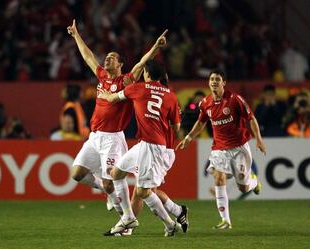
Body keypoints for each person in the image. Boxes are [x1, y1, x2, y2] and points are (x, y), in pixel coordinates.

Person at [67, 19, 168, 216]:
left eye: (112, 58)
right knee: (77, 174)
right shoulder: (102, 77)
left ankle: (126, 217)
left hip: (112, 138)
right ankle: (108, 193)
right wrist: (76, 35)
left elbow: (141, 63)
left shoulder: (127, 81)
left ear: (120, 64)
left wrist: (156, 46)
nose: (107, 60)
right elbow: (88, 57)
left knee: (111, 179)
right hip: (95, 136)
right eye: (106, 57)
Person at [99, 60, 181, 237]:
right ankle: (129, 217)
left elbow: (113, 98)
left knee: (143, 191)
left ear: (147, 74)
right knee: (116, 173)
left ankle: (169, 224)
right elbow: (176, 127)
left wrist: (103, 94)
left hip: (151, 146)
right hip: (149, 143)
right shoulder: (171, 95)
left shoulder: (139, 88)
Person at [176, 71, 266, 229]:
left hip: (239, 147)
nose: (214, 82)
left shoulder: (235, 99)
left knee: (243, 187)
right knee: (218, 177)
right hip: (219, 148)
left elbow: (251, 118)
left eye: (217, 79)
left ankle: (253, 181)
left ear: (224, 82)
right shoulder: (205, 103)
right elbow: (201, 122)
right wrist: (189, 137)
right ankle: (225, 220)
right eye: (211, 79)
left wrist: (258, 139)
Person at [121, 75, 189, 236]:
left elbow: (176, 127)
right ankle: (178, 211)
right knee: (144, 190)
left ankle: (172, 218)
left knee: (144, 191)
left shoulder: (164, 98)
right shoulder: (167, 97)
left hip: (160, 150)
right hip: (150, 147)